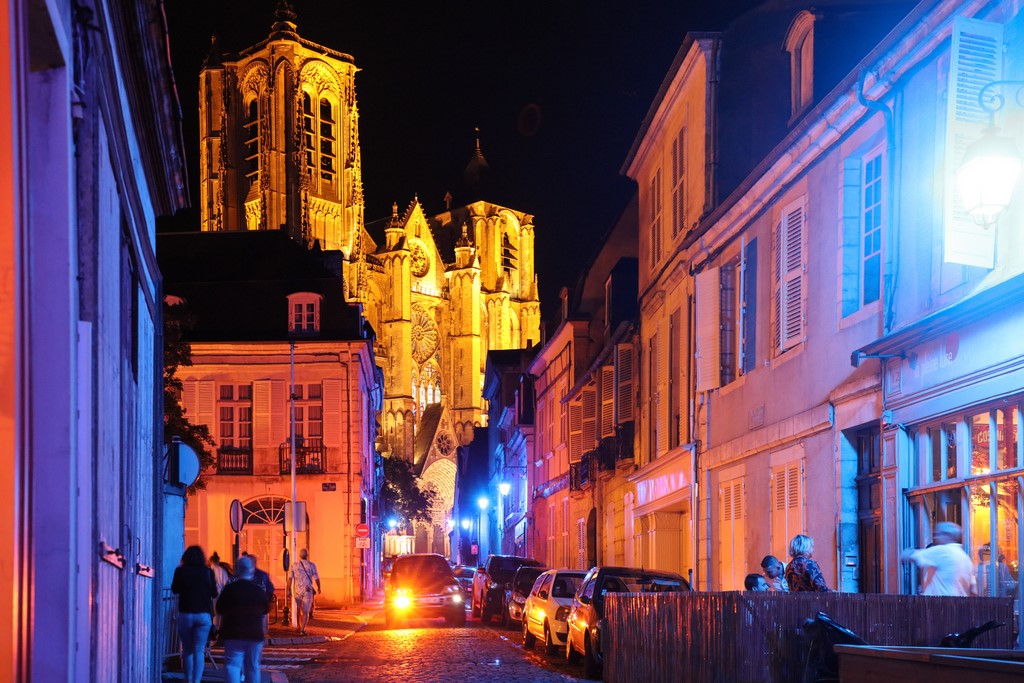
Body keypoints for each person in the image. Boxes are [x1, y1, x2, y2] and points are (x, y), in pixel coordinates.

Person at [217, 555, 269, 683]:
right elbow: (265, 609)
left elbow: (220, 608)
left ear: (238, 570)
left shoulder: (230, 589)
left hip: (233, 632)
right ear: (251, 570)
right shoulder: (257, 590)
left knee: (232, 666)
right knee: (252, 667)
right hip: (254, 633)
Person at [171, 545, 218, 683]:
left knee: (187, 650)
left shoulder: (180, 571)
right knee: (199, 650)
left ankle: (188, 679)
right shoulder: (208, 572)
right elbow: (214, 593)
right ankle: (196, 681)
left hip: (186, 613)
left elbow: (175, 589)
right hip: (203, 615)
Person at [900, 522, 975, 596]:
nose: (935, 538)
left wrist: (909, 551)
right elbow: (973, 590)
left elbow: (906, 555)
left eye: (938, 534)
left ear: (948, 535)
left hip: (940, 601)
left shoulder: (942, 550)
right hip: (959, 602)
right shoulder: (966, 558)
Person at [290, 548, 321, 635]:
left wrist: (288, 589)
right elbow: (316, 578)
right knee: (305, 611)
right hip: (307, 590)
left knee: (298, 608)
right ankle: (303, 630)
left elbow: (290, 578)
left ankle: (298, 626)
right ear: (307, 555)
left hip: (297, 590)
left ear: (299, 555)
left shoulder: (294, 565)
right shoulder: (312, 565)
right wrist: (319, 587)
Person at [209, 551, 231, 632]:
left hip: (209, 595)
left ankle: (211, 631)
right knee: (217, 614)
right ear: (217, 561)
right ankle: (216, 630)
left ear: (211, 562)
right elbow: (226, 584)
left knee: (210, 614)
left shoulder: (209, 570)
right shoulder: (222, 570)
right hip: (220, 595)